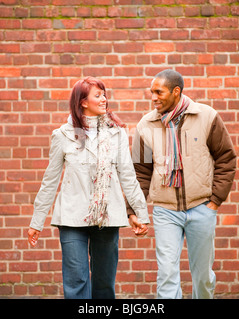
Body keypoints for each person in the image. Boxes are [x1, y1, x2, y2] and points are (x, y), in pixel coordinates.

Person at [28, 76, 150, 299]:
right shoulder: (62, 135)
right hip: (72, 217)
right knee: (76, 281)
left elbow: (128, 177)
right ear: (83, 102)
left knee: (104, 283)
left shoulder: (117, 134)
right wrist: (37, 221)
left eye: (104, 95)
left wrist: (140, 213)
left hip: (108, 216)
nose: (104, 99)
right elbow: (50, 180)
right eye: (98, 95)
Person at [127, 69, 236, 299]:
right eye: (151, 92)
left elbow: (226, 159)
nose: (153, 97)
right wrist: (134, 210)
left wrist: (215, 201)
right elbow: (140, 172)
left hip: (201, 207)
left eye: (159, 92)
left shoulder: (207, 116)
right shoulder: (145, 125)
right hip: (165, 211)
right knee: (166, 275)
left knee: (203, 277)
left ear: (176, 92)